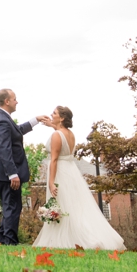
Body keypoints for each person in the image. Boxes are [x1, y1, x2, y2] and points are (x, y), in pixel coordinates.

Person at [33, 104, 126, 251]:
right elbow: (60, 135)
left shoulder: (56, 135)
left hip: (61, 173)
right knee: (72, 206)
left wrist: (51, 182)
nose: (52, 114)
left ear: (62, 118)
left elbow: (54, 159)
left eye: (54, 113)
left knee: (62, 204)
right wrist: (51, 125)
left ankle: (67, 240)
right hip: (71, 171)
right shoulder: (70, 134)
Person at [0, 88, 35, 245]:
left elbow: (18, 131)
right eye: (15, 99)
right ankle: (9, 242)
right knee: (11, 208)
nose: (17, 101)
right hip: (6, 174)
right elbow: (4, 149)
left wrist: (35, 120)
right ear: (7, 101)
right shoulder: (2, 120)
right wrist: (12, 174)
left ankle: (1, 240)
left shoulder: (4, 118)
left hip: (5, 173)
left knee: (12, 207)